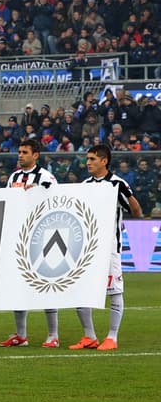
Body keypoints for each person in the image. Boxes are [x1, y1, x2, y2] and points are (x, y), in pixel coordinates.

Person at [69, 144, 143, 351]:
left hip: (109, 248)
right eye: (87, 159)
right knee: (80, 290)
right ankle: (89, 336)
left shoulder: (116, 184)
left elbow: (137, 212)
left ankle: (112, 337)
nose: (88, 163)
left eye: (92, 159)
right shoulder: (85, 185)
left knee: (114, 291)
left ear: (104, 161)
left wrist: (128, 194)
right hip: (87, 248)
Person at [0, 139, 60, 348]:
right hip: (19, 238)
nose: (20, 155)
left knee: (47, 285)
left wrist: (37, 191)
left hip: (41, 239)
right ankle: (21, 335)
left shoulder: (45, 177)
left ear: (35, 155)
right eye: (19, 152)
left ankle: (53, 335)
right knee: (18, 286)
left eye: (25, 152)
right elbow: (8, 200)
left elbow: (55, 200)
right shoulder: (14, 177)